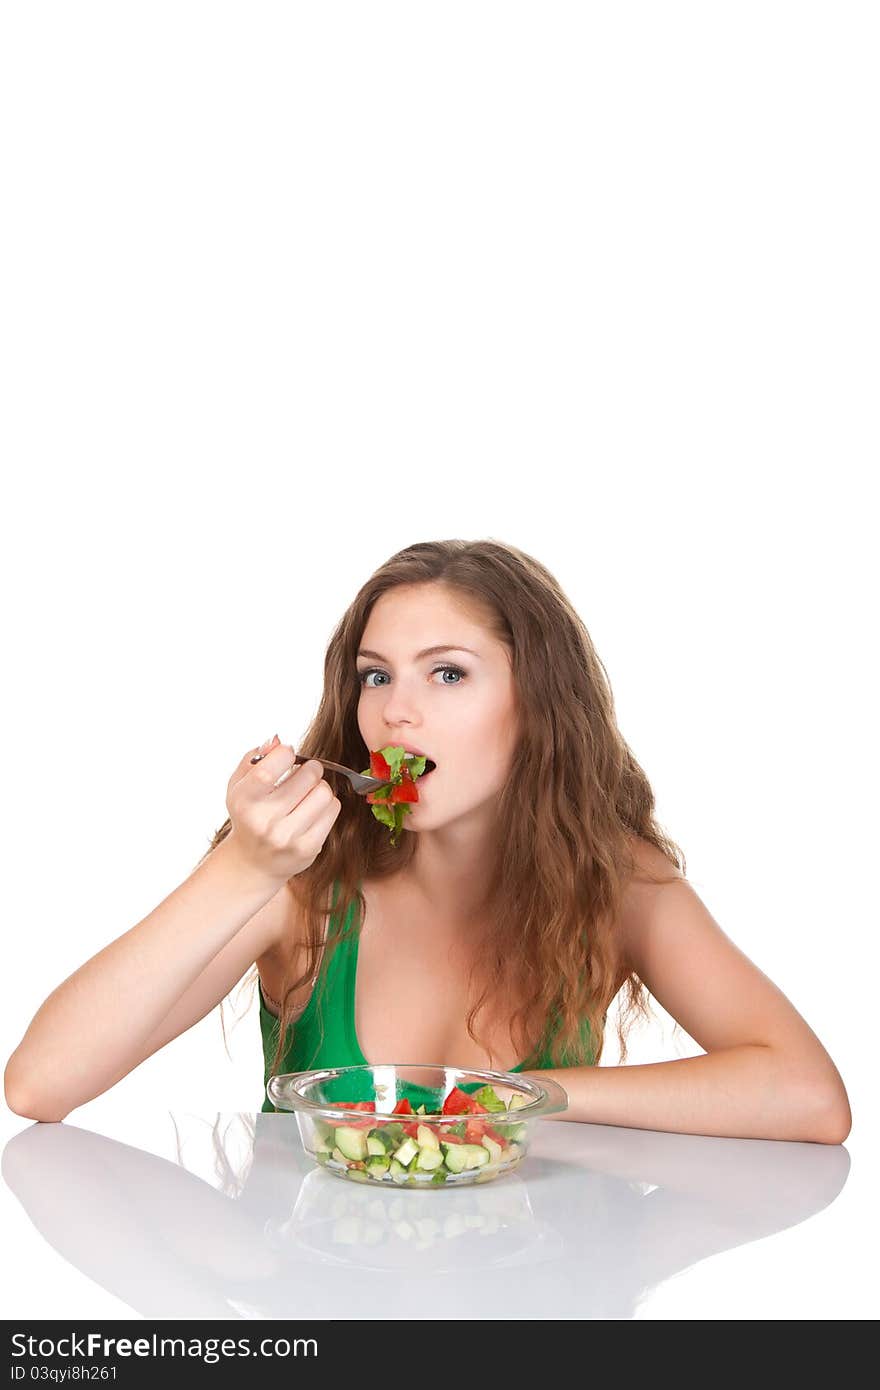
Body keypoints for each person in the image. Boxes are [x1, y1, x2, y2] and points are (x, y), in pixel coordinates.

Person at [3, 539, 851, 1142]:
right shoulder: (303, 883)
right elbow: (40, 1084)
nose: (393, 711)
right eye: (377, 676)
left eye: (447, 673)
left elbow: (807, 1097)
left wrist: (519, 1099)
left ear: (539, 704)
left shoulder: (614, 879)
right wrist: (242, 867)